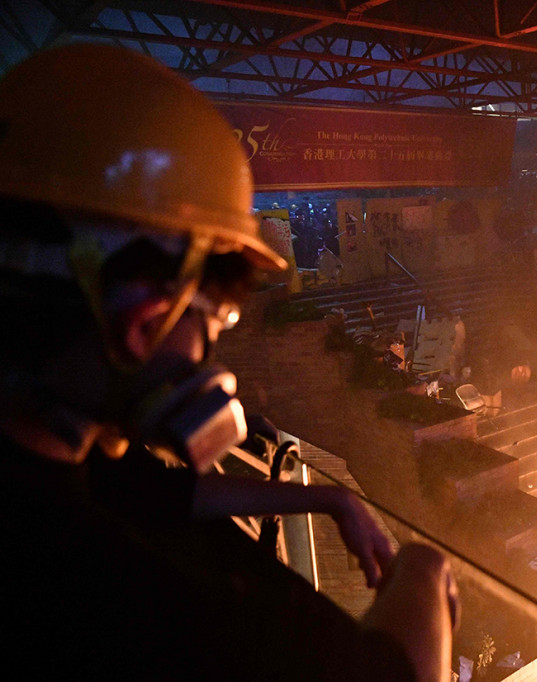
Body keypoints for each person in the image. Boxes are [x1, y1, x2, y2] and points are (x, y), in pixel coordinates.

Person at [0, 44, 456, 680]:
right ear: (143, 322)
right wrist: (428, 572)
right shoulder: (140, 607)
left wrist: (328, 499)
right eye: (212, 323)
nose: (207, 357)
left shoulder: (52, 454)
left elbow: (150, 489)